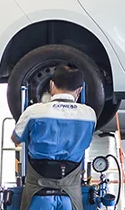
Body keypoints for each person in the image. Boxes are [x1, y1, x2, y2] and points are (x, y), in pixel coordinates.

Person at [12, 65, 98, 210]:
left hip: (37, 195)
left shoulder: (34, 112)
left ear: (51, 84)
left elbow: (16, 138)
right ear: (79, 90)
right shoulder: (89, 115)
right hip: (71, 197)